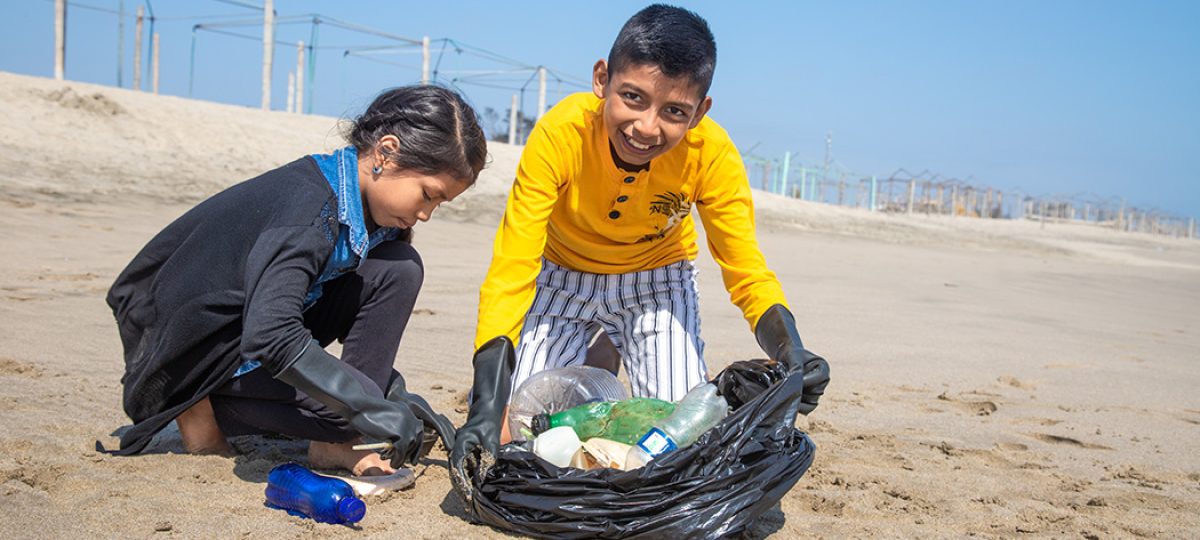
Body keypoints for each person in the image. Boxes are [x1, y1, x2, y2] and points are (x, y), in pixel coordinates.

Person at [450, 4, 830, 494]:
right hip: (562, 274)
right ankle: (601, 352)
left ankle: (615, 339)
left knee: (682, 436)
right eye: (632, 97)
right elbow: (512, 267)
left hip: (657, 279)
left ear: (700, 112)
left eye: (674, 112)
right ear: (602, 79)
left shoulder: (711, 153)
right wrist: (484, 410)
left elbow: (745, 268)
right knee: (518, 425)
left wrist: (790, 351)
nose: (647, 128)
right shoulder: (560, 134)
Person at [105, 85, 486, 476]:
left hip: (256, 324)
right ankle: (196, 406)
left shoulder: (364, 209)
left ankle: (337, 440)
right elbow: (270, 335)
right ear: (386, 153)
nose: (426, 214)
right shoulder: (309, 212)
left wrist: (389, 397)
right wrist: (368, 407)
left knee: (400, 266)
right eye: (427, 195)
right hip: (192, 352)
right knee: (356, 405)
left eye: (439, 204)